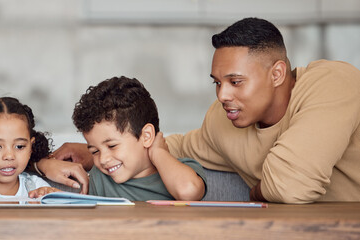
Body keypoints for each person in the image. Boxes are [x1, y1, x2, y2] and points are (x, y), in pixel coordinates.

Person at [37, 17, 360, 204]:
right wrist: (93, 151)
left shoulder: (332, 81)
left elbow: (291, 186)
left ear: (276, 74)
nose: (222, 95)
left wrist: (260, 189)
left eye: (235, 81)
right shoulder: (222, 120)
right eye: (217, 82)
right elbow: (168, 145)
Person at [71, 76, 206, 201]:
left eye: (112, 146)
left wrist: (158, 152)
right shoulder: (100, 177)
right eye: (95, 151)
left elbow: (188, 192)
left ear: (146, 136)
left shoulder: (184, 168)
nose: (103, 159)